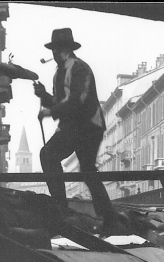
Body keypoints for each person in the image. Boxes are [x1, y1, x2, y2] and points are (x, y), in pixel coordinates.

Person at [33, 28, 116, 231]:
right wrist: (44, 97)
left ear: (66, 50)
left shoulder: (80, 69)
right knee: (82, 168)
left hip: (87, 126)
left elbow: (76, 101)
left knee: (54, 157)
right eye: (53, 50)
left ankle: (63, 210)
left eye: (56, 50)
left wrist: (48, 112)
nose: (54, 54)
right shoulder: (59, 73)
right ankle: (106, 218)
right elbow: (60, 103)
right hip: (74, 126)